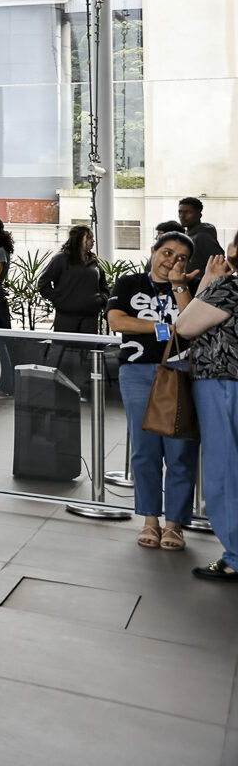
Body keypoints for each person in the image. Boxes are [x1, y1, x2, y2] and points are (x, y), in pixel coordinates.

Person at [108, 230, 198, 552]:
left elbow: (192, 326)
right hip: (136, 372)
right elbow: (117, 321)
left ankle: (174, 525)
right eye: (167, 252)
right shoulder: (129, 283)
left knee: (180, 450)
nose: (172, 261)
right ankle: (150, 520)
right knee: (144, 450)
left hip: (180, 373)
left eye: (181, 258)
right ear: (154, 250)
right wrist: (165, 328)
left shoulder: (189, 288)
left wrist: (179, 286)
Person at [174, 243, 238, 582]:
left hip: (223, 384)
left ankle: (235, 557)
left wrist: (208, 283)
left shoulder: (228, 288)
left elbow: (184, 326)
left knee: (224, 470)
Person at [38, 225, 107, 336]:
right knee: (65, 346)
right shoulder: (61, 259)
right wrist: (60, 300)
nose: (93, 241)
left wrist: (101, 300)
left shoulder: (94, 261)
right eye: (89, 237)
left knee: (88, 346)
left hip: (90, 318)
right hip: (66, 318)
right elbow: (43, 283)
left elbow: (103, 285)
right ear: (79, 239)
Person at [178, 197, 222, 286]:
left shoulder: (202, 236)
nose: (182, 216)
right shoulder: (187, 236)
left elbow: (220, 264)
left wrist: (203, 281)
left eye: (187, 212)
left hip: (200, 288)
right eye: (180, 212)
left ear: (199, 215)